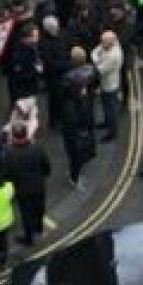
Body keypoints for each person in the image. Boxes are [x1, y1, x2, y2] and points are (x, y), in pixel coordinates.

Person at [2, 122, 51, 246]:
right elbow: (46, 167)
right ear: (26, 134)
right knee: (39, 209)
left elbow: (6, 174)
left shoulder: (9, 153)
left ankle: (29, 239)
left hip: (22, 189)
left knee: (26, 214)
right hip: (39, 186)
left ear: (13, 136)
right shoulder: (37, 148)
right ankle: (39, 228)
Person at [60, 47, 97, 187]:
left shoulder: (68, 78)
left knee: (74, 149)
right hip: (86, 117)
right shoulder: (92, 71)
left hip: (73, 124)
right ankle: (76, 168)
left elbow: (62, 95)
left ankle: (74, 175)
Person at [91, 30, 123, 142]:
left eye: (103, 42)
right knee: (106, 106)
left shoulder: (114, 56)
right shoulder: (108, 43)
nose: (101, 43)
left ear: (110, 43)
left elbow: (100, 70)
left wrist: (96, 60)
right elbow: (95, 51)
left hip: (110, 85)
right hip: (105, 83)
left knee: (110, 110)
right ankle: (107, 123)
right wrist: (97, 59)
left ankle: (112, 132)